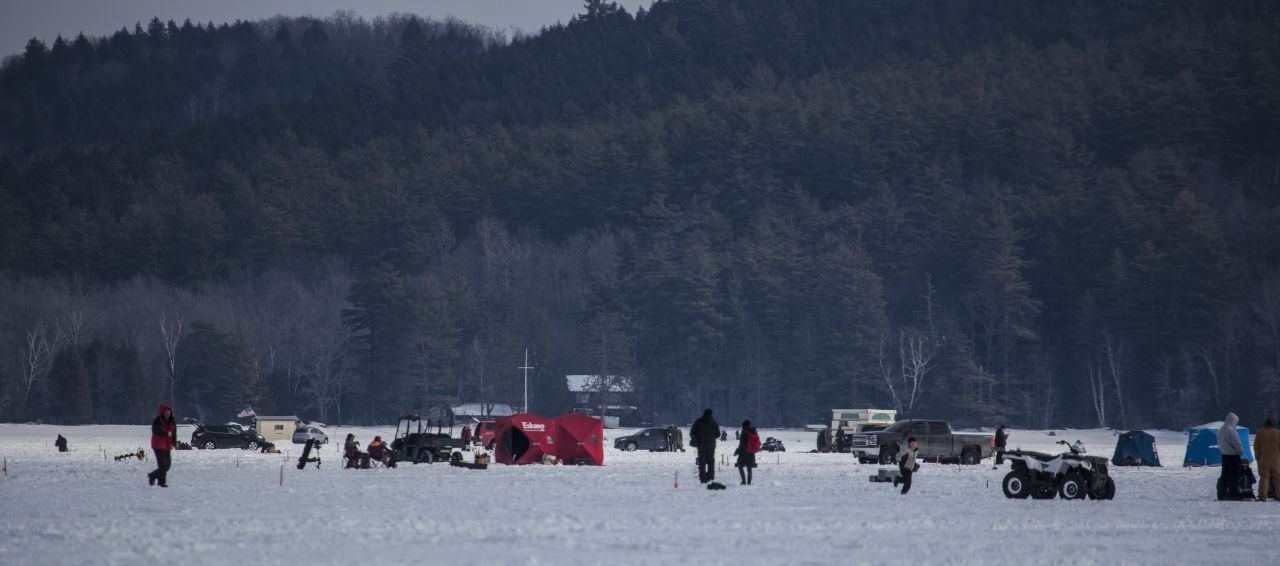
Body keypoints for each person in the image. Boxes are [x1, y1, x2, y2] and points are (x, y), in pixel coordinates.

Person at [1218, 412, 1246, 500]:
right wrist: (1241, 452)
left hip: (1224, 456)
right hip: (1233, 456)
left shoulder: (1220, 430)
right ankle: (1233, 494)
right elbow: (1237, 444)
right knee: (1234, 476)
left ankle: (1222, 494)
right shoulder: (1231, 431)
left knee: (1224, 475)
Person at [147, 405, 177, 487]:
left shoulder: (172, 421)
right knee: (162, 465)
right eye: (166, 412)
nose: (168, 414)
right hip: (158, 446)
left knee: (167, 466)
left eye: (169, 412)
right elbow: (156, 431)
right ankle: (162, 483)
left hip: (167, 445)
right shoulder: (157, 421)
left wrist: (174, 443)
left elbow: (174, 433)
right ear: (163, 413)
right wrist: (166, 433)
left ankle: (152, 475)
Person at [690, 408, 720, 483]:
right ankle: (710, 478)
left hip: (701, 445)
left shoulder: (698, 421)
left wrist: (697, 437)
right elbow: (718, 434)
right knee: (711, 462)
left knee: (702, 463)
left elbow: (692, 432)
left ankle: (703, 479)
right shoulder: (714, 423)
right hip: (711, 446)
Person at [1255, 417, 1280, 502]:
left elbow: (1256, 447)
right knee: (1277, 478)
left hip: (1263, 460)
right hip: (1276, 459)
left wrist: (1257, 457)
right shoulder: (1278, 433)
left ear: (1265, 424)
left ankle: (1262, 497)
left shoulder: (1260, 433)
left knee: (1264, 478)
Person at [735, 420, 760, 485]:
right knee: (749, 468)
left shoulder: (744, 432)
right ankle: (749, 482)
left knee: (740, 466)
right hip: (751, 453)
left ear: (744, 425)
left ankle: (743, 481)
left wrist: (737, 451)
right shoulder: (754, 432)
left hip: (743, 453)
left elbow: (741, 444)